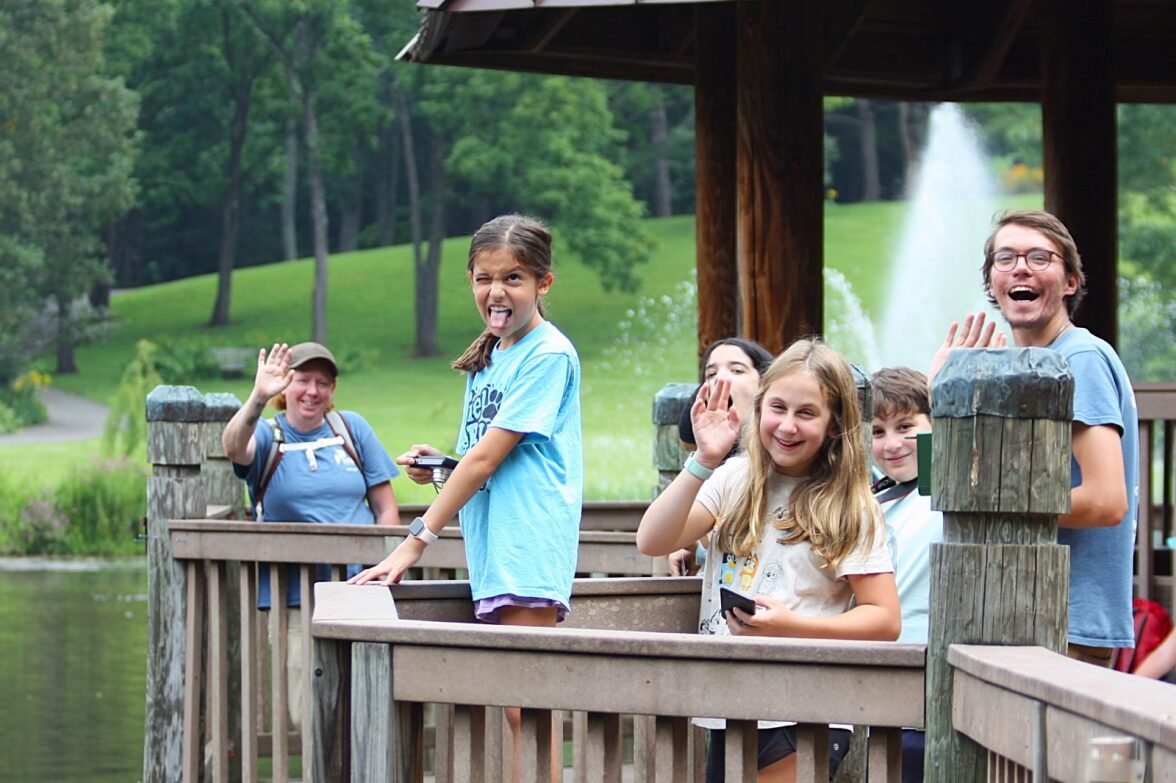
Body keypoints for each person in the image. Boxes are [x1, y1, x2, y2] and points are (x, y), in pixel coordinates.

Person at [349, 214, 582, 780]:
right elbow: (482, 460)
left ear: (543, 283)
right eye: (483, 278)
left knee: (528, 706)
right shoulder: (494, 356)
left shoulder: (547, 354)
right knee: (513, 704)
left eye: (514, 278)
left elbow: (487, 459)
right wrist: (444, 466)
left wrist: (414, 542)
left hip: (527, 542)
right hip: (494, 545)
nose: (496, 292)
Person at [637, 337, 900, 783]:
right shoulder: (733, 478)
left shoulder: (850, 504)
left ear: (834, 423)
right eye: (777, 408)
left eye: (807, 413)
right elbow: (653, 540)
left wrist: (792, 627)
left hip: (806, 709)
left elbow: (884, 620)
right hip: (728, 702)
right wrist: (702, 460)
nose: (788, 426)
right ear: (759, 410)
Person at [930, 209, 1139, 667]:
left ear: (1069, 282)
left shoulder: (1079, 358)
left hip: (1063, 624)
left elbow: (1107, 501)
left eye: (1040, 257)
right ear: (991, 284)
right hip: (1005, 612)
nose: (1021, 267)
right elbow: (937, 485)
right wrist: (940, 394)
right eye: (1005, 258)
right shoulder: (1011, 370)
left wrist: (992, 508)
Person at [221, 340, 401, 728]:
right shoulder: (270, 435)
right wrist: (256, 397)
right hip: (297, 598)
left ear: (333, 390)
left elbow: (386, 507)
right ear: (285, 386)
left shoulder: (352, 428)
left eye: (323, 382)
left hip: (361, 592)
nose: (313, 391)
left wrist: (384, 570)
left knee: (371, 702)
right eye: (303, 380)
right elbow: (234, 447)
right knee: (310, 708)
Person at [870, 366, 943, 783]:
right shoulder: (872, 499)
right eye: (878, 431)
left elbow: (942, 466)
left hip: (928, 682)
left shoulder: (940, 490)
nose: (892, 444)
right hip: (876, 679)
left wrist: (940, 393)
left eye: (906, 426)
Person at [671, 337, 774, 576]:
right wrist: (695, 546)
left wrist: (699, 549)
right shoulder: (715, 468)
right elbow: (655, 538)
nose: (721, 379)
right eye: (711, 373)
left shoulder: (783, 461)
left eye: (737, 370)